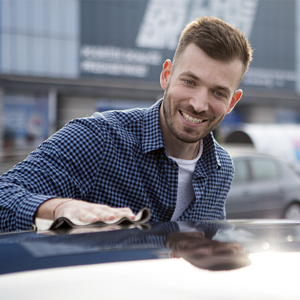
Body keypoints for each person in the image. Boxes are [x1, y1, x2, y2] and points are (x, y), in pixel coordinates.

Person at [0, 16, 252, 232]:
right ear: (166, 75)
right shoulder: (98, 138)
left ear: (232, 102)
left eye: (218, 93)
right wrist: (59, 208)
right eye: (189, 82)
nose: (198, 104)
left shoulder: (221, 169)